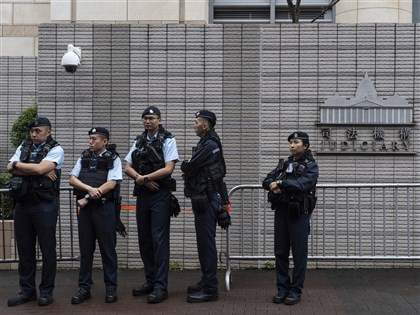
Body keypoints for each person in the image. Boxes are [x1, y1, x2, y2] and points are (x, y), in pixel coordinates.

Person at [6, 116, 64, 307]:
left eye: (38, 131)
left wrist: (19, 167)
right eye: (32, 131)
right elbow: (10, 168)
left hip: (44, 205)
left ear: (48, 131)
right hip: (22, 205)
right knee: (25, 250)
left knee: (47, 250)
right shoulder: (23, 147)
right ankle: (27, 291)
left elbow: (41, 169)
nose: (33, 134)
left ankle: (46, 292)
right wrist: (32, 168)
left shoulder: (56, 149)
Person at [124, 106, 179, 304]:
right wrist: (142, 179)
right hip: (144, 195)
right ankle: (151, 280)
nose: (148, 121)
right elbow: (127, 167)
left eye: (152, 118)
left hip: (161, 195)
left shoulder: (168, 139)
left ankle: (161, 287)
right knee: (145, 240)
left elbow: (169, 168)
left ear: (160, 120)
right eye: (145, 118)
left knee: (159, 240)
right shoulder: (139, 141)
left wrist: (144, 177)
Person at [262, 131, 318, 306]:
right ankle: (282, 289)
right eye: (290, 143)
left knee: (299, 254)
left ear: (305, 145)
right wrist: (274, 185)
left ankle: (295, 290)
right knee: (280, 252)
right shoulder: (284, 163)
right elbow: (266, 180)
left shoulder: (311, 165)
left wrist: (280, 184)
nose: (292, 145)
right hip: (282, 211)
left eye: (296, 142)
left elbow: (302, 185)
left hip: (299, 213)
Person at [181, 110, 231, 303]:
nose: (194, 125)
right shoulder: (209, 142)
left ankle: (211, 288)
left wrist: (186, 164)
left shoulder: (209, 144)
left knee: (206, 244)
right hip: (205, 198)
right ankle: (206, 280)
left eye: (196, 122)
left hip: (207, 199)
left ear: (205, 125)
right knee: (203, 244)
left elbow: (190, 166)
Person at [69, 127, 122, 304]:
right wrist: (89, 190)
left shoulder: (113, 158)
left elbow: (112, 183)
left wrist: (88, 196)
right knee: (86, 250)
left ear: (104, 141)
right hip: (86, 211)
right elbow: (72, 179)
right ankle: (84, 288)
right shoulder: (83, 157)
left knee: (108, 250)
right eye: (89, 139)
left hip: (104, 209)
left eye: (94, 139)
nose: (90, 142)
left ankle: (111, 288)